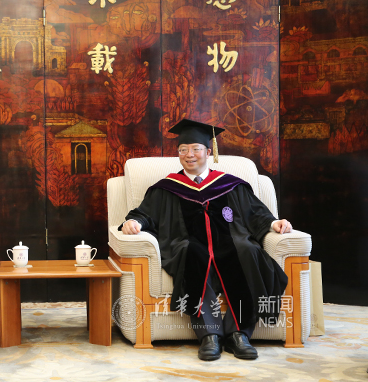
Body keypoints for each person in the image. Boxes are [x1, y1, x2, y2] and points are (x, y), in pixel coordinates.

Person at [120, 119, 292, 361]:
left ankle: (239, 334)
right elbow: (146, 213)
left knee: (247, 249)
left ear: (208, 152)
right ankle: (209, 335)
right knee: (193, 253)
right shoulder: (167, 187)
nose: (189, 155)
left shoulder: (230, 185)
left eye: (195, 149)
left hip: (232, 241)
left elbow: (255, 213)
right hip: (188, 242)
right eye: (183, 150)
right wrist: (135, 222)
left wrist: (274, 224)